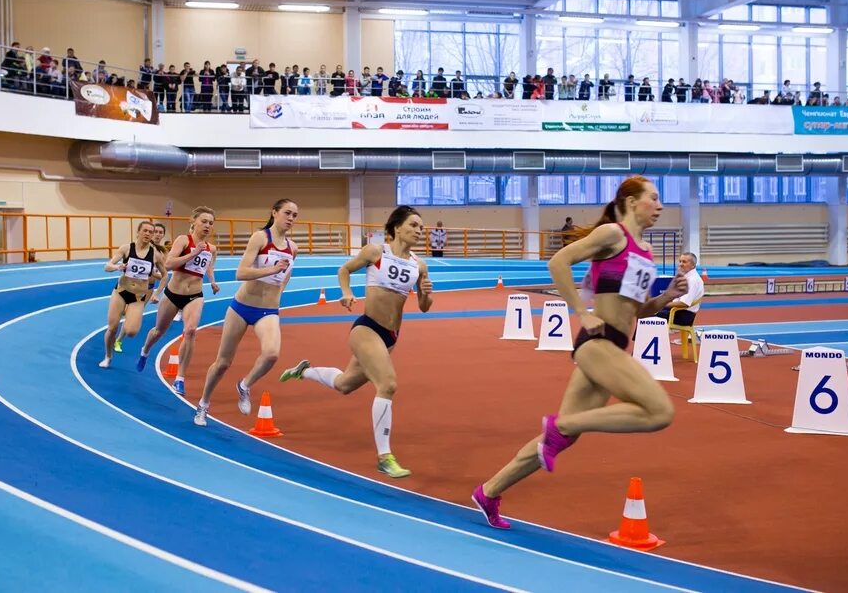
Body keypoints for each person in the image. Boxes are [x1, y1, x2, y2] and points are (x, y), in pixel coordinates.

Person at [471, 176, 688, 529]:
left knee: (561, 441)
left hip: (616, 343)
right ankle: (563, 424)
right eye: (654, 197)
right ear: (631, 202)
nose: (660, 205)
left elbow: (636, 311)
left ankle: (489, 491)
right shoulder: (613, 236)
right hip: (597, 343)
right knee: (660, 411)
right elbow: (558, 262)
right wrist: (581, 312)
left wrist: (665, 298)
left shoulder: (646, 253)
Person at [278, 206, 434, 479]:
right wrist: (347, 293)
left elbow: (423, 307)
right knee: (388, 384)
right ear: (397, 227)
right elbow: (344, 270)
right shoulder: (376, 253)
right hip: (366, 328)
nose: (419, 231)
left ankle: (304, 371)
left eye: (421, 227)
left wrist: (426, 295)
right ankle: (385, 457)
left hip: (391, 336)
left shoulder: (419, 265)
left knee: (345, 384)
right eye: (413, 225)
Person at [193, 199, 299, 425]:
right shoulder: (260, 238)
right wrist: (271, 268)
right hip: (242, 307)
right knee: (222, 363)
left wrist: (278, 291)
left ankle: (245, 385)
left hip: (268, 310)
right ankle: (203, 404)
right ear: (274, 213)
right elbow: (240, 273)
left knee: (271, 354)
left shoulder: (293, 248)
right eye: (287, 213)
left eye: (294, 215)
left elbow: (285, 276)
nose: (291, 218)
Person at [136, 207, 220, 395]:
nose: (207, 226)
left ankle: (180, 379)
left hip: (195, 296)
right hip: (173, 294)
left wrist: (213, 282)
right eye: (204, 221)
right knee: (159, 331)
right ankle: (145, 351)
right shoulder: (184, 240)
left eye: (211, 223)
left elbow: (208, 268)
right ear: (194, 221)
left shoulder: (211, 249)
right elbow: (169, 264)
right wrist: (192, 253)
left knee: (190, 331)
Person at [99, 222, 166, 368]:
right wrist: (118, 267)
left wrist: (156, 289)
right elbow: (107, 266)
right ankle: (108, 356)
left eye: (150, 231)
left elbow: (165, 275)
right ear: (138, 232)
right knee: (112, 328)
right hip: (121, 292)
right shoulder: (127, 248)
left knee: (131, 332)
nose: (148, 234)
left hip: (138, 297)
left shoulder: (155, 254)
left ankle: (121, 337)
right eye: (145, 231)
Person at [114, 222, 169, 353]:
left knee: (131, 315)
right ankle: (113, 332)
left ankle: (119, 340)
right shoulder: (139, 247)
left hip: (146, 288)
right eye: (155, 232)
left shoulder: (161, 253)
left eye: (161, 233)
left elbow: (163, 275)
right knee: (121, 312)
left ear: (163, 236)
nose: (157, 235)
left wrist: (156, 290)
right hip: (128, 285)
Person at [655, 252, 704, 327]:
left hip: (684, 315)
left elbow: (684, 303)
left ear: (693, 265)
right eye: (680, 261)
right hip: (678, 312)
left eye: (684, 262)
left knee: (649, 317)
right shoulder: (687, 277)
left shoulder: (693, 280)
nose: (680, 264)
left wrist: (664, 304)